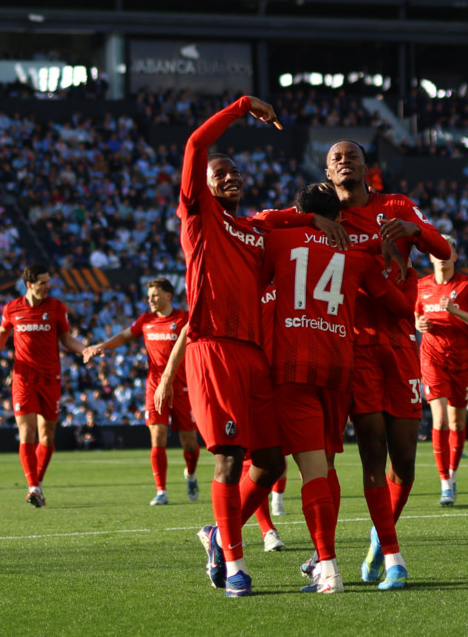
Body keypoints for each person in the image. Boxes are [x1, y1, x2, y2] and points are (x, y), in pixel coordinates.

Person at [174, 95, 339, 598]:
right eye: (220, 173)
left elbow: (283, 218)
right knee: (225, 459)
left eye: (235, 172)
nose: (230, 177)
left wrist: (316, 218)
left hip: (255, 354)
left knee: (269, 462)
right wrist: (243, 106)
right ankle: (237, 568)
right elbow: (196, 143)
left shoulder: (253, 231)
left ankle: (216, 536)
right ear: (202, 185)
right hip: (214, 349)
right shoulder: (199, 217)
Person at [266, 181, 408, 596]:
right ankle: (321, 558)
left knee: (311, 469)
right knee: (326, 466)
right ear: (340, 216)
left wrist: (304, 222)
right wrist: (395, 262)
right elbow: (400, 306)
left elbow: (254, 223)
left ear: (300, 210)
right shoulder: (356, 254)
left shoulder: (278, 239)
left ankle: (327, 568)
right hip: (339, 365)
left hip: (292, 365)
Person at [84, 277, 199, 505]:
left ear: (168, 295)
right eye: (149, 297)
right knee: (158, 437)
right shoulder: (146, 320)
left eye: (155, 295)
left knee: (189, 442)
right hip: (155, 386)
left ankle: (191, 474)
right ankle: (161, 491)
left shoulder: (183, 319)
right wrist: (101, 346)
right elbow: (124, 336)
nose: (151, 300)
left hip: (183, 386)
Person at [0, 265, 88, 507]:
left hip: (51, 379)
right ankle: (33, 486)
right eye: (43, 282)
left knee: (47, 438)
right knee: (27, 433)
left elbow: (67, 338)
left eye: (49, 281)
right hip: (23, 379)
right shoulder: (12, 308)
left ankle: (36, 485)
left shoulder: (56, 307)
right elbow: (1, 332)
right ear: (29, 285)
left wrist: (84, 350)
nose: (48, 286)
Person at [414, 249, 468, 506]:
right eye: (437, 252)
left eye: (448, 252)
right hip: (432, 359)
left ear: (456, 256)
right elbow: (416, 316)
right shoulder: (421, 286)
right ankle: (444, 483)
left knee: (457, 423)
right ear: (431, 258)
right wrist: (419, 325)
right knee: (441, 419)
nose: (442, 256)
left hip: (461, 360)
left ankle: (453, 476)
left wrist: (457, 312)